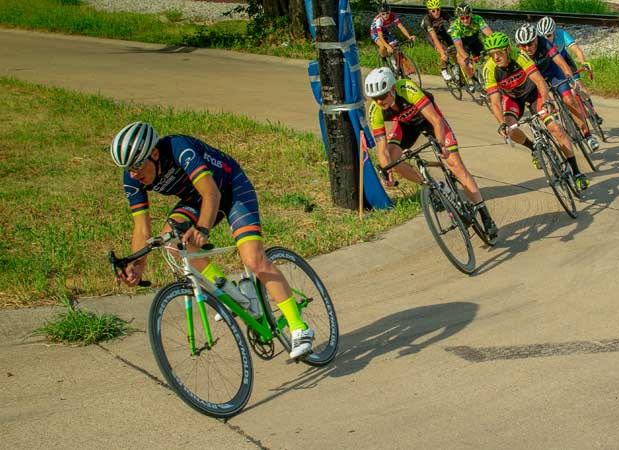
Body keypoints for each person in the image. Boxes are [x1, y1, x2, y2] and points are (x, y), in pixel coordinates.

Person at [110, 121, 314, 359]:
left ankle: (299, 326)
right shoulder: (133, 177)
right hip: (194, 199)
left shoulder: (178, 148)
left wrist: (203, 228)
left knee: (253, 258)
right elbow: (141, 228)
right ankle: (231, 292)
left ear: (154, 153)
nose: (133, 174)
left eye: (136, 165)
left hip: (231, 188)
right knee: (172, 240)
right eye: (127, 169)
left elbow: (211, 192)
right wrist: (137, 265)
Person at [364, 67, 498, 238]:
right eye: (375, 98)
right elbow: (382, 150)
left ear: (392, 89)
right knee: (393, 160)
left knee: (455, 164)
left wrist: (441, 144)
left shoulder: (407, 89)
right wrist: (387, 172)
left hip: (429, 120)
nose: (380, 101)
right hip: (406, 126)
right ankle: (432, 186)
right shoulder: (375, 110)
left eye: (383, 96)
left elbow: (435, 120)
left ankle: (484, 215)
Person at [481, 32, 590, 190]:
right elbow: (495, 103)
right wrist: (501, 124)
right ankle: (533, 148)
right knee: (510, 129)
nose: (496, 57)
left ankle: (576, 172)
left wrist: (546, 101)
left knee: (556, 129)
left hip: (533, 93)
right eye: (491, 54)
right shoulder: (489, 69)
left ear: (507, 50)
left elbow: (539, 80)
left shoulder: (519, 55)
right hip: (513, 99)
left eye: (498, 53)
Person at [515, 23, 599, 151]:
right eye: (523, 45)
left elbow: (560, 60)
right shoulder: (519, 53)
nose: (527, 48)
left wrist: (570, 78)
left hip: (553, 71)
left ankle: (587, 135)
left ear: (536, 39)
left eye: (530, 44)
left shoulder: (544, 43)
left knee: (569, 100)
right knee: (543, 105)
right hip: (536, 78)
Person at [536, 15, 603, 125]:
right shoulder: (539, 42)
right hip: (550, 66)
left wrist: (583, 62)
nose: (546, 39)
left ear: (554, 32)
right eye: (543, 36)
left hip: (565, 61)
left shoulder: (561, 34)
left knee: (579, 87)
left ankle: (593, 114)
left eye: (549, 35)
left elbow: (575, 48)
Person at [447, 2, 493, 88]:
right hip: (464, 44)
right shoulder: (456, 27)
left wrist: (494, 45)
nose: (465, 20)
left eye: (467, 17)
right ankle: (473, 79)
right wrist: (466, 58)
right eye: (462, 18)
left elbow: (489, 33)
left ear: (471, 15)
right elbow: (458, 45)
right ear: (459, 18)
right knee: (463, 62)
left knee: (487, 57)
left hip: (475, 41)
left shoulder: (477, 19)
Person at [370, 2, 416, 67]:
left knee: (395, 48)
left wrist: (409, 36)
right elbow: (380, 35)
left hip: (385, 30)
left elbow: (401, 27)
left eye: (387, 13)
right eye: (383, 14)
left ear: (390, 12)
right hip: (375, 32)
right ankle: (383, 58)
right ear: (380, 14)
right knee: (383, 46)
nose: (385, 15)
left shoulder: (393, 15)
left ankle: (399, 69)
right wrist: (387, 46)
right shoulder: (379, 20)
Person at [420, 0, 456, 82]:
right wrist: (441, 51)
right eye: (433, 10)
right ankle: (443, 69)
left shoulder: (443, 13)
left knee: (454, 51)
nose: (436, 12)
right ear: (429, 11)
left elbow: (452, 21)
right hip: (431, 35)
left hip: (441, 31)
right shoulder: (427, 20)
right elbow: (434, 38)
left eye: (438, 9)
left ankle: (455, 67)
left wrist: (452, 27)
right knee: (444, 54)